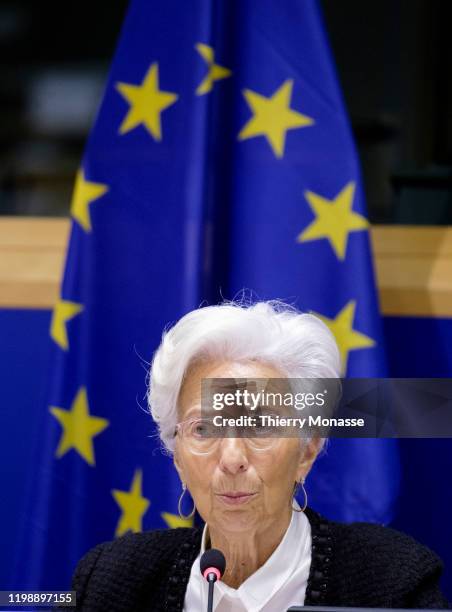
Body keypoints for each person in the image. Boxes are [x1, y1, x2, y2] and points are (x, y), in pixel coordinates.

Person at [72, 301, 450, 611]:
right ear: (177, 457)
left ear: (308, 450)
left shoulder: (391, 583)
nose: (232, 457)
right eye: (204, 429)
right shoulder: (110, 582)